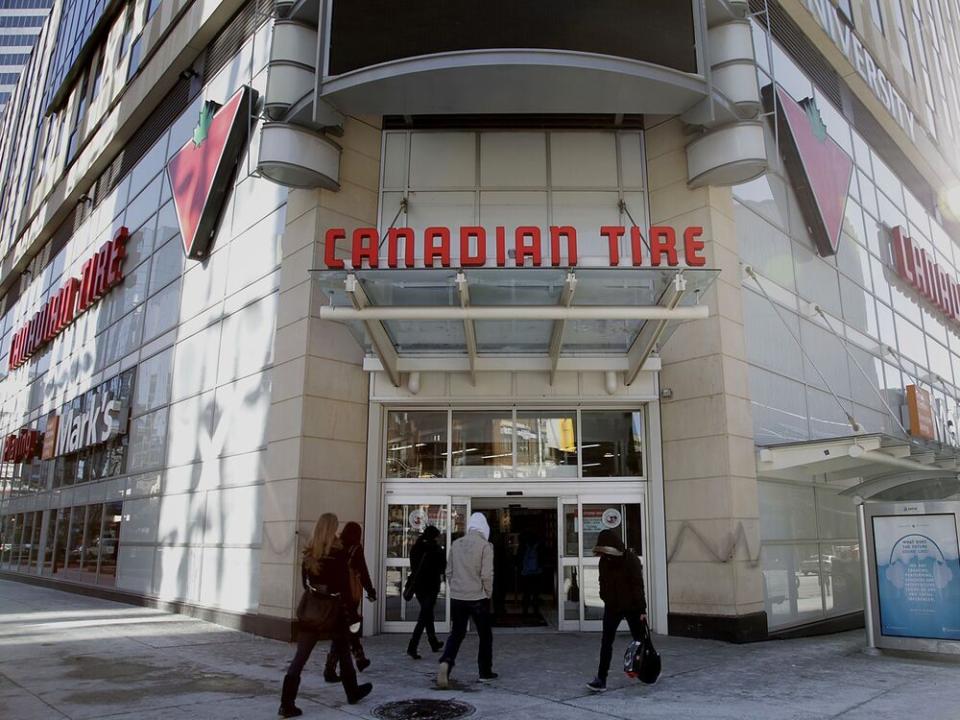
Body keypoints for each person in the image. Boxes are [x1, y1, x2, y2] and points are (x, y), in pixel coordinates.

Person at [279, 514, 372, 717]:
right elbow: (344, 588)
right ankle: (352, 692)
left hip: (312, 611)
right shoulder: (338, 556)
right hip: (334, 612)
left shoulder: (309, 554)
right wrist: (352, 613)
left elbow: (306, 584)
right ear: (333, 530)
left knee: (300, 658)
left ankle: (286, 703)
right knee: (344, 653)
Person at [437, 512, 496, 688]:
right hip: (478, 597)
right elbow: (487, 574)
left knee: (457, 633)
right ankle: (485, 672)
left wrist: (456, 587)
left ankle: (446, 662)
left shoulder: (456, 544)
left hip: (457, 598)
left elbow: (448, 571)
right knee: (485, 635)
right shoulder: (485, 546)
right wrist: (488, 593)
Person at [587, 528, 647, 693]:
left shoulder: (630, 559)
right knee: (606, 642)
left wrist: (642, 608)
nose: (604, 554)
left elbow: (637, 585)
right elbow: (602, 581)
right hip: (613, 607)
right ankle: (601, 679)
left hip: (633, 607)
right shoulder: (604, 561)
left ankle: (646, 669)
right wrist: (605, 597)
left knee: (640, 640)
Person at [324, 521, 376, 681]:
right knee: (347, 629)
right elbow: (363, 571)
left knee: (344, 629)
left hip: (334, 594)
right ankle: (332, 668)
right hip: (349, 594)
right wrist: (370, 590)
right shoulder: (355, 549)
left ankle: (359, 659)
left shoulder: (336, 546)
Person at [407, 524, 447, 659]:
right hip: (431, 586)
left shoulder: (416, 548)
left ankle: (433, 641)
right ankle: (412, 646)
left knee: (427, 613)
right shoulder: (435, 549)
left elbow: (413, 565)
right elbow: (442, 567)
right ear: (434, 536)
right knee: (424, 616)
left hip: (418, 586)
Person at [517, 530, 544, 617]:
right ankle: (535, 610)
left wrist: (519, 568)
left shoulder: (523, 546)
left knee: (526, 593)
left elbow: (519, 558)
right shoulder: (539, 546)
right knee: (536, 593)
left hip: (525, 573)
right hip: (537, 572)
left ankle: (525, 610)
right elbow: (543, 558)